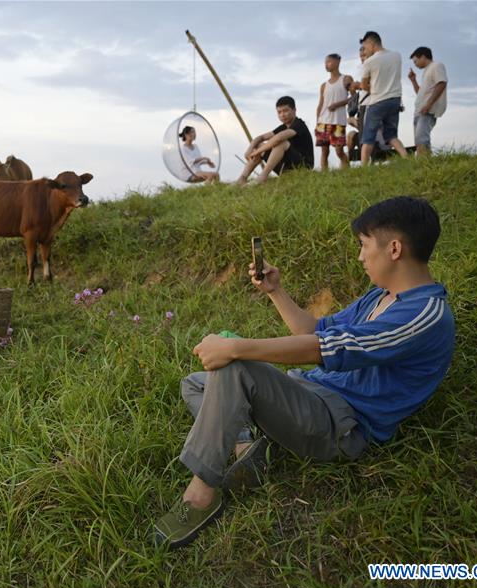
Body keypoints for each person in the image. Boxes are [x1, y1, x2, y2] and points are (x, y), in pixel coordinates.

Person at [153, 196, 455, 549]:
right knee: (195, 384)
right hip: (310, 393)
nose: (360, 256)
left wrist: (237, 347)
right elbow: (314, 331)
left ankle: (201, 495)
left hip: (340, 424)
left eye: (363, 245)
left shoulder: (425, 315)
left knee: (235, 369)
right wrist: (275, 291)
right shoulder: (379, 297)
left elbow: (325, 349)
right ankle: (246, 448)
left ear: (394, 248)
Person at [236, 96, 314, 186]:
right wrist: (250, 149)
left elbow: (278, 138)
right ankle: (242, 178)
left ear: (294, 110)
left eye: (285, 111)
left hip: (303, 167)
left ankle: (262, 177)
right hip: (287, 169)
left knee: (281, 143)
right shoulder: (283, 127)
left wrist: (257, 152)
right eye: (279, 112)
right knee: (260, 145)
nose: (282, 115)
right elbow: (261, 137)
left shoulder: (299, 125)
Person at [359, 31, 409, 166]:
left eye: (365, 47)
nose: (365, 50)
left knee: (368, 137)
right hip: (395, 100)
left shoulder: (369, 62)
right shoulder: (396, 56)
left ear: (371, 43)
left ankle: (363, 167)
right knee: (391, 135)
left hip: (377, 102)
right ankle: (406, 158)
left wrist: (375, 89)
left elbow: (363, 85)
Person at [407, 47, 448, 157]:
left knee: (421, 138)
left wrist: (428, 104)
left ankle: (423, 164)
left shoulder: (436, 66)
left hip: (427, 110)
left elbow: (442, 83)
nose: (415, 64)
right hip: (420, 110)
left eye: (415, 61)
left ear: (423, 57)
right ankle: (427, 164)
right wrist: (413, 80)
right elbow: (421, 93)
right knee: (419, 139)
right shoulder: (426, 71)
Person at [315, 53, 353, 170]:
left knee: (339, 151)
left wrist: (337, 104)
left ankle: (347, 170)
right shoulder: (324, 85)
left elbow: (354, 97)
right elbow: (321, 104)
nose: (326, 65)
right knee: (324, 151)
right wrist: (317, 121)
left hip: (338, 121)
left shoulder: (346, 79)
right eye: (325, 62)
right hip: (323, 121)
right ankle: (324, 174)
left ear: (337, 62)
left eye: (329, 62)